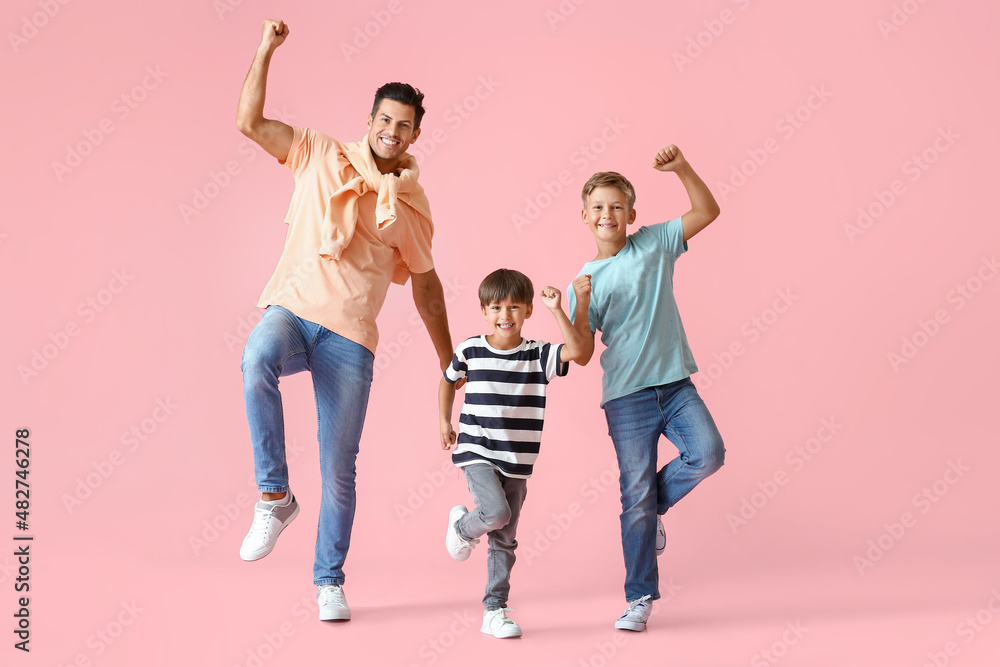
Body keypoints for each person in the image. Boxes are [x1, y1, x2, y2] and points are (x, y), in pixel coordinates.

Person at [235, 19, 454, 621]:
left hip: (351, 337)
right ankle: (274, 496)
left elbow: (428, 286)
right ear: (370, 121)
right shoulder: (319, 153)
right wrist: (264, 50)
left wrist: (447, 359)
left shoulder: (411, 204)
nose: (391, 131)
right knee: (257, 357)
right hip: (295, 309)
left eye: (403, 125)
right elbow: (249, 124)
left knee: (339, 464)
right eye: (384, 119)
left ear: (414, 135)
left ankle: (329, 580)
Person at [566, 146, 726, 632]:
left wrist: (681, 169)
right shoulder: (583, 281)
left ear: (632, 214)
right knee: (631, 495)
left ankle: (653, 508)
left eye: (616, 206)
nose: (607, 214)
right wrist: (574, 306)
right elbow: (580, 352)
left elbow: (707, 211)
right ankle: (640, 598)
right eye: (598, 207)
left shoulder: (654, 243)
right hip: (626, 399)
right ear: (584, 216)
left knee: (709, 453)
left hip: (675, 384)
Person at [438, 269, 591, 638]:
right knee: (497, 512)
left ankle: (495, 610)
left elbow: (581, 352)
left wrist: (560, 310)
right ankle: (462, 528)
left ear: (527, 311)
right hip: (477, 449)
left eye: (514, 307)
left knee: (504, 536)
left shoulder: (538, 355)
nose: (505, 314)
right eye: (496, 307)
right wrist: (445, 422)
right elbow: (447, 382)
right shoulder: (470, 349)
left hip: (518, 460)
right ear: (483, 311)